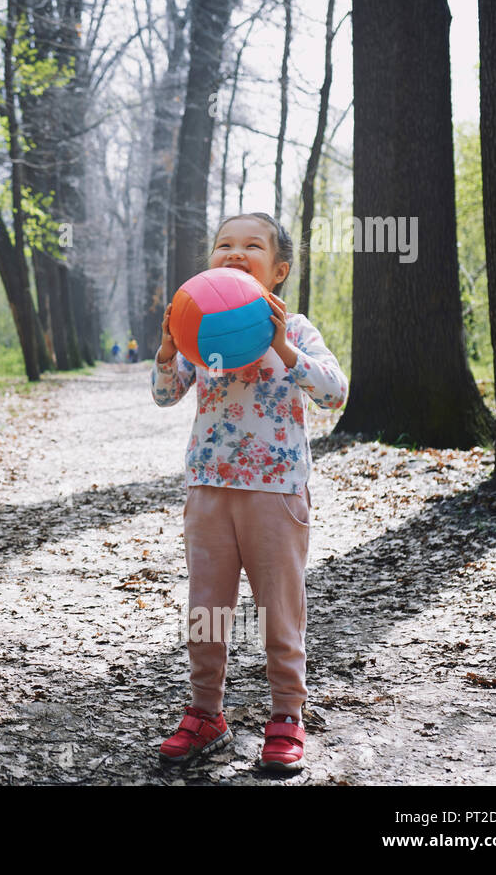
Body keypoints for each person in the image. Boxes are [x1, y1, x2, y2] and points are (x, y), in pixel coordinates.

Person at [149, 212, 347, 772]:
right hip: (209, 489)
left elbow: (334, 392)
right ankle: (206, 710)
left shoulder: (297, 329)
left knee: (278, 607)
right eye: (224, 245)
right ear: (210, 261)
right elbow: (166, 395)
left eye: (251, 246)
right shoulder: (197, 327)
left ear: (278, 270)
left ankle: (287, 713)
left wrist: (282, 345)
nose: (235, 253)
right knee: (207, 608)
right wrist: (169, 346)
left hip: (275, 492)